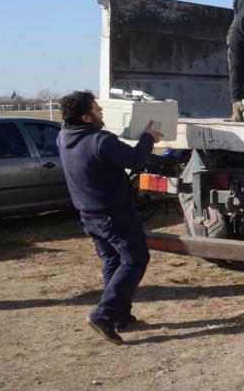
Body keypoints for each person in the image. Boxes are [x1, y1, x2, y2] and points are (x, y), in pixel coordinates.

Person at [57, 91, 163, 344]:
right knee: (136, 260)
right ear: (85, 117)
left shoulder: (63, 137)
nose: (101, 111)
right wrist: (148, 137)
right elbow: (136, 160)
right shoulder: (100, 140)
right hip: (113, 214)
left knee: (113, 262)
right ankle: (103, 315)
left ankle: (119, 316)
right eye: (96, 108)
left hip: (88, 215)